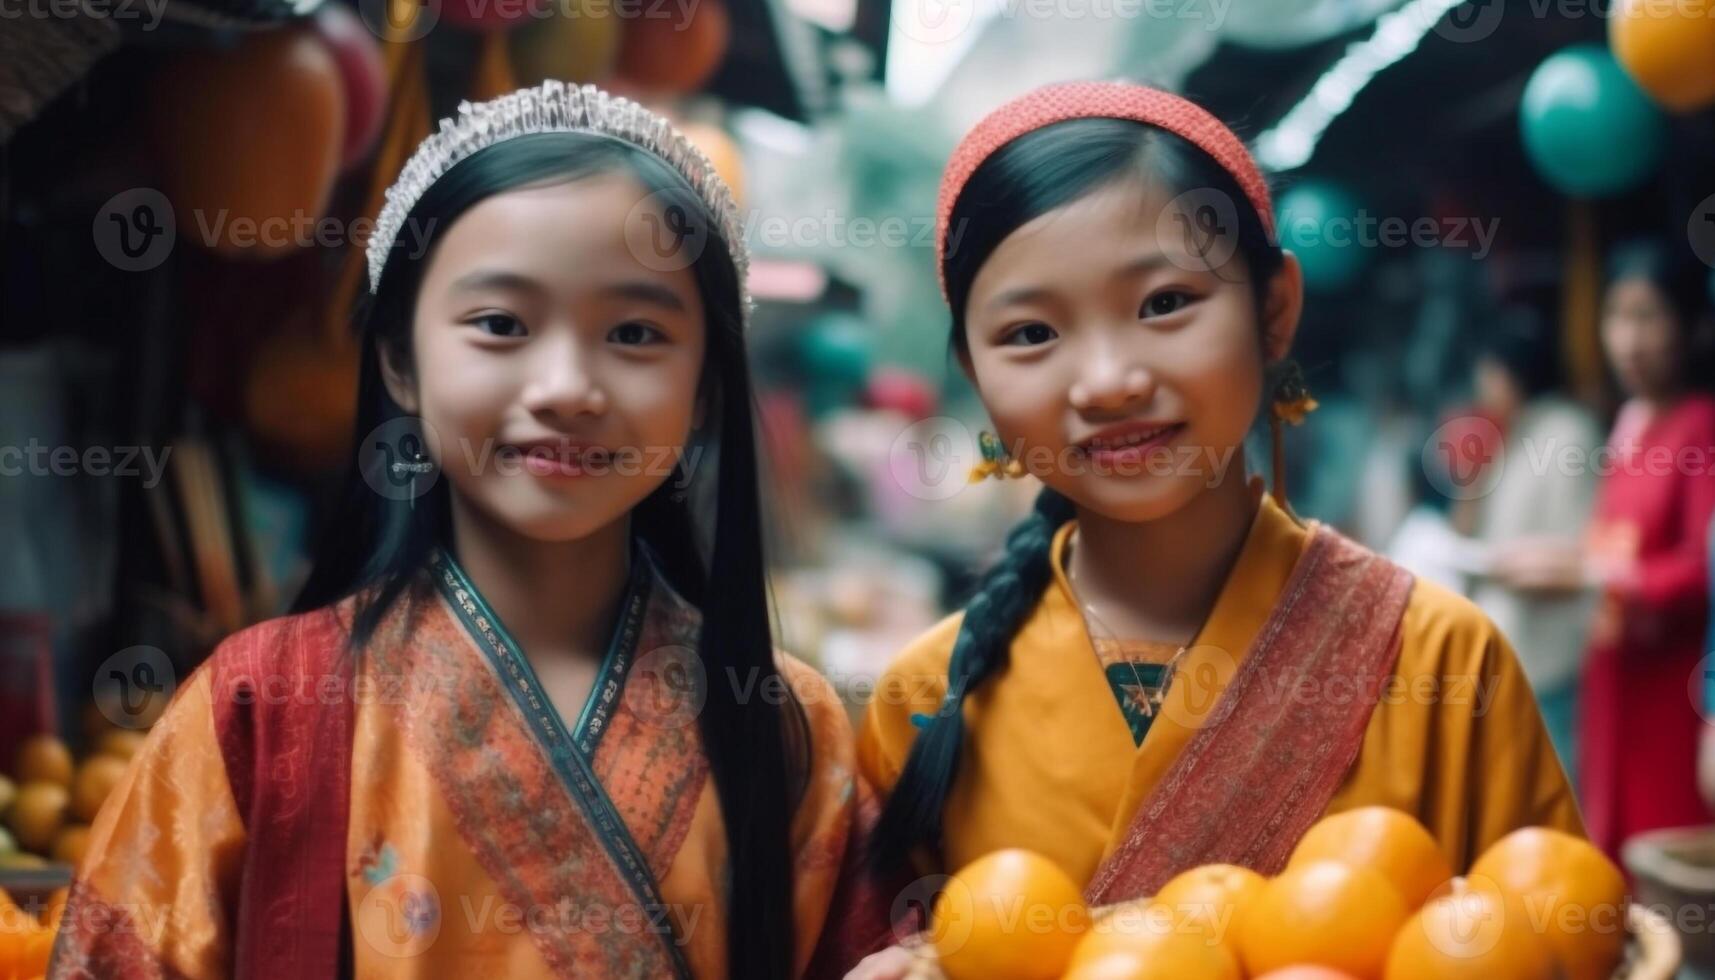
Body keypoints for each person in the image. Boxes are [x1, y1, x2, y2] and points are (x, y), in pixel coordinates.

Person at [54, 83, 889, 979]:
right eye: (500, 324)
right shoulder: (263, 708)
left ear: (704, 392)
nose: (567, 384)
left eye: (636, 332)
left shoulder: (786, 728)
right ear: (402, 364)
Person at [847, 81, 1581, 978]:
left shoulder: (1444, 664)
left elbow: (1557, 943)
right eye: (1032, 331)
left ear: (1272, 309)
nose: (1107, 380)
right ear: (972, 369)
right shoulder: (923, 700)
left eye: (1162, 304)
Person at [1579, 238, 1715, 861]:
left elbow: (1701, 563)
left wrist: (1610, 579)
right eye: (1617, 316)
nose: (1627, 341)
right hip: (1615, 667)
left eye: (1647, 316)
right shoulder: (1630, 420)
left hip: (1675, 684)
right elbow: (1616, 538)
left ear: (1688, 326)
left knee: (1666, 845)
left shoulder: (1701, 424)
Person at [1467, 306, 1602, 779]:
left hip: (1551, 654)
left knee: (1555, 784)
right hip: (1517, 651)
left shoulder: (1567, 433)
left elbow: (1579, 545)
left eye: (1486, 372)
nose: (1481, 386)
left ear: (1509, 371)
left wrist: (1511, 564)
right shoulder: (1519, 433)